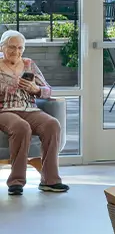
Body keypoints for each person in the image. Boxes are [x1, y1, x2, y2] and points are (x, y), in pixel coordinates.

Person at [0, 29, 68, 196]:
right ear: (2, 47)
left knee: (52, 124)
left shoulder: (29, 64)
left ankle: (50, 180)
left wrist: (35, 89)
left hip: (29, 108)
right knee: (21, 127)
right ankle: (16, 182)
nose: (16, 51)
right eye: (11, 47)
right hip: (4, 110)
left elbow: (48, 90)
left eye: (20, 48)